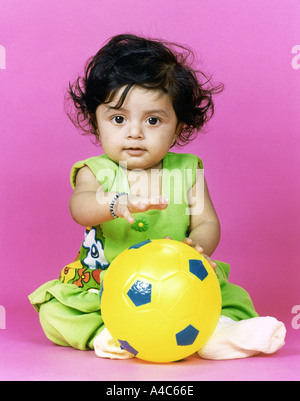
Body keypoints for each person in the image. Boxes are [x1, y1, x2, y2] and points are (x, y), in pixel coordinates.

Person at [29, 34, 286, 360]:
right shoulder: (95, 172)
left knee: (234, 298)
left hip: (179, 284)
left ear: (178, 127)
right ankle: (108, 333)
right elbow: (79, 208)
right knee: (56, 312)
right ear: (96, 122)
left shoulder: (188, 170)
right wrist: (113, 203)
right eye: (118, 119)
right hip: (109, 284)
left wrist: (198, 245)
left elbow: (207, 221)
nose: (135, 132)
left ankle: (217, 334)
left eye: (153, 120)